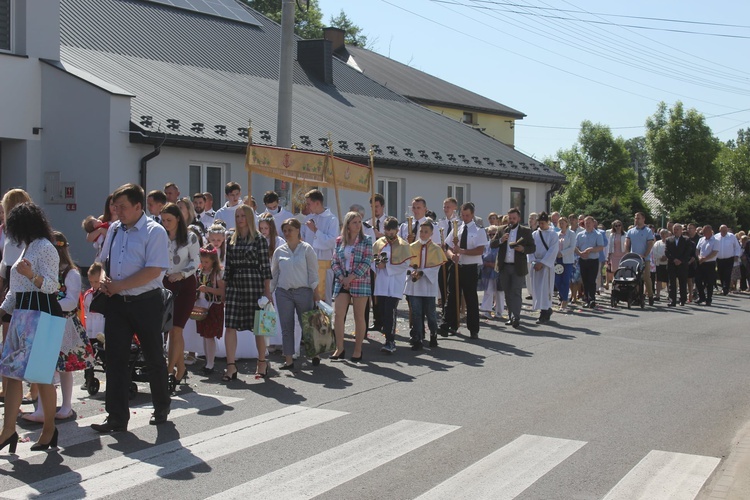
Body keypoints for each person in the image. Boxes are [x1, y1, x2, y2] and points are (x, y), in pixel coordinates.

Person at [92, 183, 171, 432]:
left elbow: (154, 270)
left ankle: (161, 406)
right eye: (116, 207)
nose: (118, 212)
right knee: (114, 359)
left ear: (138, 206)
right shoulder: (115, 228)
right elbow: (103, 260)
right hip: (116, 303)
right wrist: (104, 277)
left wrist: (120, 285)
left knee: (153, 356)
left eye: (123, 207)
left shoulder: (154, 231)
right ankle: (116, 416)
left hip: (145, 302)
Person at [0, 202, 64, 451]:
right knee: (12, 374)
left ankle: (49, 430)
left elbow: (52, 286)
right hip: (23, 314)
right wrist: (4, 309)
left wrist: (30, 275)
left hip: (41, 314)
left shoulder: (46, 247)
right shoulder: (30, 246)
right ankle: (8, 430)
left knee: (41, 376)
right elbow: (16, 290)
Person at [23, 231, 94, 423]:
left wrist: (50, 305)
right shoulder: (44, 272)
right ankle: (42, 408)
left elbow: (71, 302)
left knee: (64, 367)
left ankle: (66, 406)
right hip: (45, 320)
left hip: (63, 323)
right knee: (45, 366)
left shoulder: (70, 272)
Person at [223, 205, 273, 380]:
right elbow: (227, 267)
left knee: (258, 326)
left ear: (250, 218)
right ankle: (230, 366)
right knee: (229, 325)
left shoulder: (259, 239)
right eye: (237, 215)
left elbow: (265, 268)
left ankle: (261, 361)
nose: (240, 218)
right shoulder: (230, 238)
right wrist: (224, 290)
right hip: (235, 284)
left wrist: (267, 293)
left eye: (243, 215)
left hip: (253, 284)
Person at [160, 203, 200, 389]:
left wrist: (181, 274)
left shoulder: (190, 237)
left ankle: (168, 372)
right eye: (163, 220)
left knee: (177, 329)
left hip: (185, 285)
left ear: (178, 218)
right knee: (172, 330)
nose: (166, 223)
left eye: (169, 220)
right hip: (165, 284)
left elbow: (196, 262)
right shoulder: (160, 236)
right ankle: (181, 368)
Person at [270, 218, 319, 370]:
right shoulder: (279, 251)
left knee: (308, 324)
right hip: (283, 292)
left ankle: (314, 353)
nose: (287, 233)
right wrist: (268, 293)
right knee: (287, 326)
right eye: (284, 230)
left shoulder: (306, 249)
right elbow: (274, 274)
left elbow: (313, 273)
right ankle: (289, 359)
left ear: (298, 230)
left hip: (303, 291)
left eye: (290, 230)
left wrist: (316, 293)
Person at [0, 189, 32, 402]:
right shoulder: (16, 236)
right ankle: (14, 388)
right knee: (19, 344)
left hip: (20, 289)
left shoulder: (16, 237)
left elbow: (5, 267)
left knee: (16, 343)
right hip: (20, 288)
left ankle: (11, 388)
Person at [441, 202, 488, 339]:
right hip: (456, 266)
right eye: (463, 215)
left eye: (467, 215)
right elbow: (448, 246)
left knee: (470, 298)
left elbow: (480, 250)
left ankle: (473, 329)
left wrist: (462, 251)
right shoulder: (457, 228)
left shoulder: (478, 230)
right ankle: (450, 324)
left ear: (472, 215)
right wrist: (451, 256)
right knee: (452, 296)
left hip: (470, 268)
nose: (465, 217)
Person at [331, 211, 372, 362]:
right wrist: (342, 277)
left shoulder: (366, 240)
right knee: (338, 315)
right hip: (342, 280)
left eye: (359, 222)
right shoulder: (339, 241)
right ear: (347, 225)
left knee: (358, 316)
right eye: (354, 222)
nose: (358, 225)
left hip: (360, 281)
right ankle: (339, 348)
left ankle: (358, 349)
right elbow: (334, 261)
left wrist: (352, 277)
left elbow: (367, 261)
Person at [489, 208, 536, 328]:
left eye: (514, 218)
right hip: (504, 266)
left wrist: (523, 249)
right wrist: (501, 240)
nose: (511, 220)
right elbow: (492, 244)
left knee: (516, 291)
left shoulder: (525, 231)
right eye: (510, 218)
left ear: (519, 219)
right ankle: (511, 316)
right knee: (507, 292)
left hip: (518, 267)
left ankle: (516, 316)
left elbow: (532, 248)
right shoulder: (501, 230)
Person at [404, 219, 447, 349]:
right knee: (416, 312)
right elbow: (406, 265)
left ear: (431, 233)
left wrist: (423, 273)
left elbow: (436, 268)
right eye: (421, 231)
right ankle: (417, 338)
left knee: (430, 313)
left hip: (428, 285)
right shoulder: (412, 247)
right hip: (415, 285)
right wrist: (412, 272)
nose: (422, 234)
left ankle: (433, 334)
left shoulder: (436, 249)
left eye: (425, 232)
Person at [372, 217, 411, 353]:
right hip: (382, 282)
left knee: (390, 311)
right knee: (382, 311)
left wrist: (387, 266)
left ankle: (390, 340)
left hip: (395, 283)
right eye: (386, 230)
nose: (389, 233)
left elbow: (405, 264)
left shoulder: (403, 245)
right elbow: (373, 260)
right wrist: (377, 265)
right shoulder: (379, 243)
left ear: (397, 230)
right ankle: (387, 335)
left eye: (391, 230)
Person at [300, 189, 339, 305]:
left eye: (309, 203)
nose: (307, 207)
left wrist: (315, 231)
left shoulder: (332, 220)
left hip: (324, 264)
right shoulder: (308, 218)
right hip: (308, 262)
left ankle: (324, 323)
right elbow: (303, 237)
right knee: (308, 297)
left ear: (317, 203)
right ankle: (310, 323)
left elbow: (331, 242)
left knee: (324, 299)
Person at [195, 245, 225, 375]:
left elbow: (222, 291)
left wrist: (207, 289)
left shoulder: (217, 273)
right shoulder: (200, 272)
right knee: (204, 335)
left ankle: (210, 364)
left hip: (213, 305)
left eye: (206, 262)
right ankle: (208, 361)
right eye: (202, 261)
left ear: (213, 260)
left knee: (209, 336)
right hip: (201, 305)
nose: (204, 264)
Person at [530, 212, 559, 324]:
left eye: (543, 223)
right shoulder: (534, 234)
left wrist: (542, 263)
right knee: (537, 289)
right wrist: (533, 262)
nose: (541, 225)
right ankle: (544, 308)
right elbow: (531, 249)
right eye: (540, 223)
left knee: (545, 288)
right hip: (536, 264)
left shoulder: (553, 235)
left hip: (546, 266)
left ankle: (545, 311)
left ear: (548, 222)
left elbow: (553, 250)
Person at [82, 262, 105, 390]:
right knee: (89, 354)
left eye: (96, 281)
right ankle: (88, 378)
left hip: (102, 329)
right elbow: (86, 312)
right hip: (91, 329)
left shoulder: (105, 293)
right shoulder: (88, 294)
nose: (94, 285)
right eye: (91, 282)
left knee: (103, 354)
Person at [625, 212, 655, 306]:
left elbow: (650, 244)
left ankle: (650, 295)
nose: (636, 220)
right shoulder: (631, 231)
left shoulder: (648, 231)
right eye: (635, 218)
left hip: (644, 259)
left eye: (638, 218)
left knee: (646, 278)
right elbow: (627, 243)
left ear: (643, 219)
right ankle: (636, 296)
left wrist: (645, 255)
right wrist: (627, 253)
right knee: (635, 278)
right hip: (634, 259)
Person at [575, 216, 605, 308]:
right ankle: (586, 299)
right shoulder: (580, 235)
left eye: (589, 223)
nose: (587, 224)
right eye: (586, 223)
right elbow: (575, 247)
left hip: (593, 260)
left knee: (592, 280)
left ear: (593, 223)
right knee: (585, 281)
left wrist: (591, 249)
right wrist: (580, 253)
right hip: (583, 260)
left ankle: (592, 299)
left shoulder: (598, 234)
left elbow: (601, 247)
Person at [665, 223, 692, 306]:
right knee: (672, 283)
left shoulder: (686, 240)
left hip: (682, 264)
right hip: (672, 264)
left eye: (677, 229)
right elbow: (667, 252)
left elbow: (688, 252)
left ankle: (682, 299)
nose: (676, 231)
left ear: (681, 230)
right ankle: (672, 300)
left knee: (682, 282)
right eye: (674, 229)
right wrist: (674, 259)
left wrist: (681, 260)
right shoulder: (669, 240)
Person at [479, 226, 503, 320]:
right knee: (488, 291)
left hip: (498, 270)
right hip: (487, 270)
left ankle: (499, 311)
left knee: (499, 292)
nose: (492, 236)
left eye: (494, 234)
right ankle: (486, 311)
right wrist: (486, 263)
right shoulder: (486, 244)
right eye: (490, 234)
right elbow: (481, 256)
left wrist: (495, 265)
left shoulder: (501, 244)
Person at [555, 217, 576, 310]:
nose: (561, 224)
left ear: (567, 224)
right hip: (558, 260)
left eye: (563, 223)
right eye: (560, 223)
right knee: (558, 281)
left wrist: (562, 253)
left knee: (565, 280)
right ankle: (563, 296)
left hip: (567, 260)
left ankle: (564, 300)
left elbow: (572, 247)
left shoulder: (571, 234)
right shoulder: (557, 234)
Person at [695, 225, 719, 306]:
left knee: (709, 282)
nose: (703, 233)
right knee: (697, 280)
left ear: (710, 231)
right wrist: (699, 257)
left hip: (710, 263)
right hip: (701, 263)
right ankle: (701, 296)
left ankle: (709, 299)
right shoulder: (701, 239)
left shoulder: (715, 240)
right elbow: (697, 250)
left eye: (705, 231)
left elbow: (714, 252)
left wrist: (705, 258)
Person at [715, 225, 741, 296]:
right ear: (719, 230)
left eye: (725, 230)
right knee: (720, 273)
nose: (724, 232)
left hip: (729, 258)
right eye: (722, 230)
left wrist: (736, 255)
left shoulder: (731, 236)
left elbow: (737, 247)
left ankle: (725, 289)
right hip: (719, 259)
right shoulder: (716, 237)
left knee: (727, 274)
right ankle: (723, 287)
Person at [607, 220, 627, 287]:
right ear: (614, 227)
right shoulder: (612, 235)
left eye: (619, 225)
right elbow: (610, 245)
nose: (618, 227)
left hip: (623, 255)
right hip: (614, 255)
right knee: (614, 271)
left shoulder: (625, 234)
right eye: (616, 226)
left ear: (621, 226)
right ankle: (615, 286)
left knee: (622, 270)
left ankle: (622, 285)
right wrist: (609, 256)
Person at [652, 229, 670, 301]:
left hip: (668, 263)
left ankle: (670, 295)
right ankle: (658, 295)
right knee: (658, 280)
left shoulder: (670, 242)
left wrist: (667, 257)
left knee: (668, 280)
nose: (663, 235)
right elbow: (654, 252)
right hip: (659, 263)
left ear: (667, 234)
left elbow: (672, 252)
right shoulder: (657, 243)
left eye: (664, 234)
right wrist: (661, 257)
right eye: (661, 234)